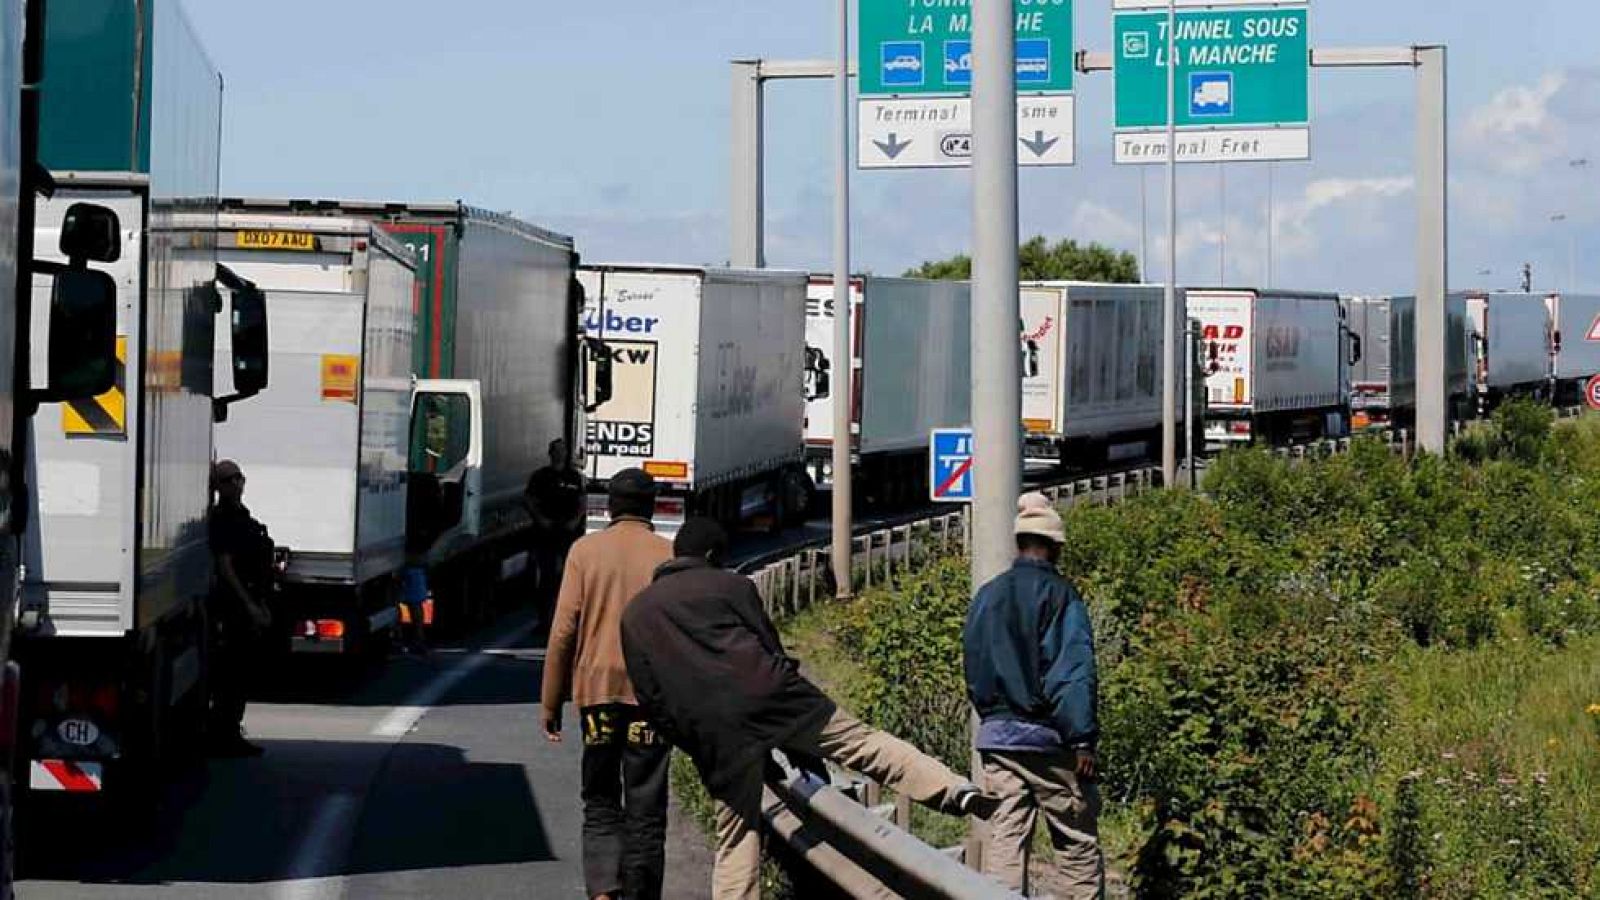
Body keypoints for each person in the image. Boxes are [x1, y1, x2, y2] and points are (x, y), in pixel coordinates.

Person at [621, 518, 1000, 900]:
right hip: (777, 698)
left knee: (737, 832)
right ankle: (953, 789)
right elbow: (770, 646)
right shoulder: (732, 586)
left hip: (714, 729)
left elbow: (652, 700)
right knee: (861, 743)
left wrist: (698, 742)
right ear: (712, 554)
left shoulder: (636, 614)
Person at [540, 468, 673, 900]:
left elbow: (563, 631)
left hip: (596, 695)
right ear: (651, 506)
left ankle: (602, 890)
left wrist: (551, 702)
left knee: (599, 798)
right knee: (646, 805)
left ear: (610, 506)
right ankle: (640, 893)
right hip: (651, 698)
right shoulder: (667, 555)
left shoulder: (585, 552)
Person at [962, 492, 1102, 898]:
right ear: (1056, 547)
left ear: (1019, 543)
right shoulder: (1061, 595)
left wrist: (994, 717)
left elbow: (973, 663)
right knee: (1075, 842)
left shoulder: (987, 595)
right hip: (1048, 740)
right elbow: (1071, 672)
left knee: (1006, 839)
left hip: (997, 739)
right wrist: (1081, 740)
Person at [207, 460, 277, 758]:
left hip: (249, 602)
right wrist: (249, 605)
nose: (236, 483)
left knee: (241, 674)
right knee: (231, 676)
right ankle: (224, 734)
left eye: (239, 478)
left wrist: (260, 603)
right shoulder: (223, 518)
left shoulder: (241, 515)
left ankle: (230, 731)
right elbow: (225, 566)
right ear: (218, 486)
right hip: (232, 608)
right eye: (229, 479)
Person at [525, 437, 587, 615]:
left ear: (566, 453)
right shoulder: (540, 476)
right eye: (556, 450)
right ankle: (545, 613)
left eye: (562, 450)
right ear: (550, 453)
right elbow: (530, 499)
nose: (559, 454)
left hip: (569, 531)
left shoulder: (574, 477)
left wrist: (576, 520)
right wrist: (540, 519)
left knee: (570, 572)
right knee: (547, 573)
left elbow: (582, 501)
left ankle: (569, 610)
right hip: (547, 530)